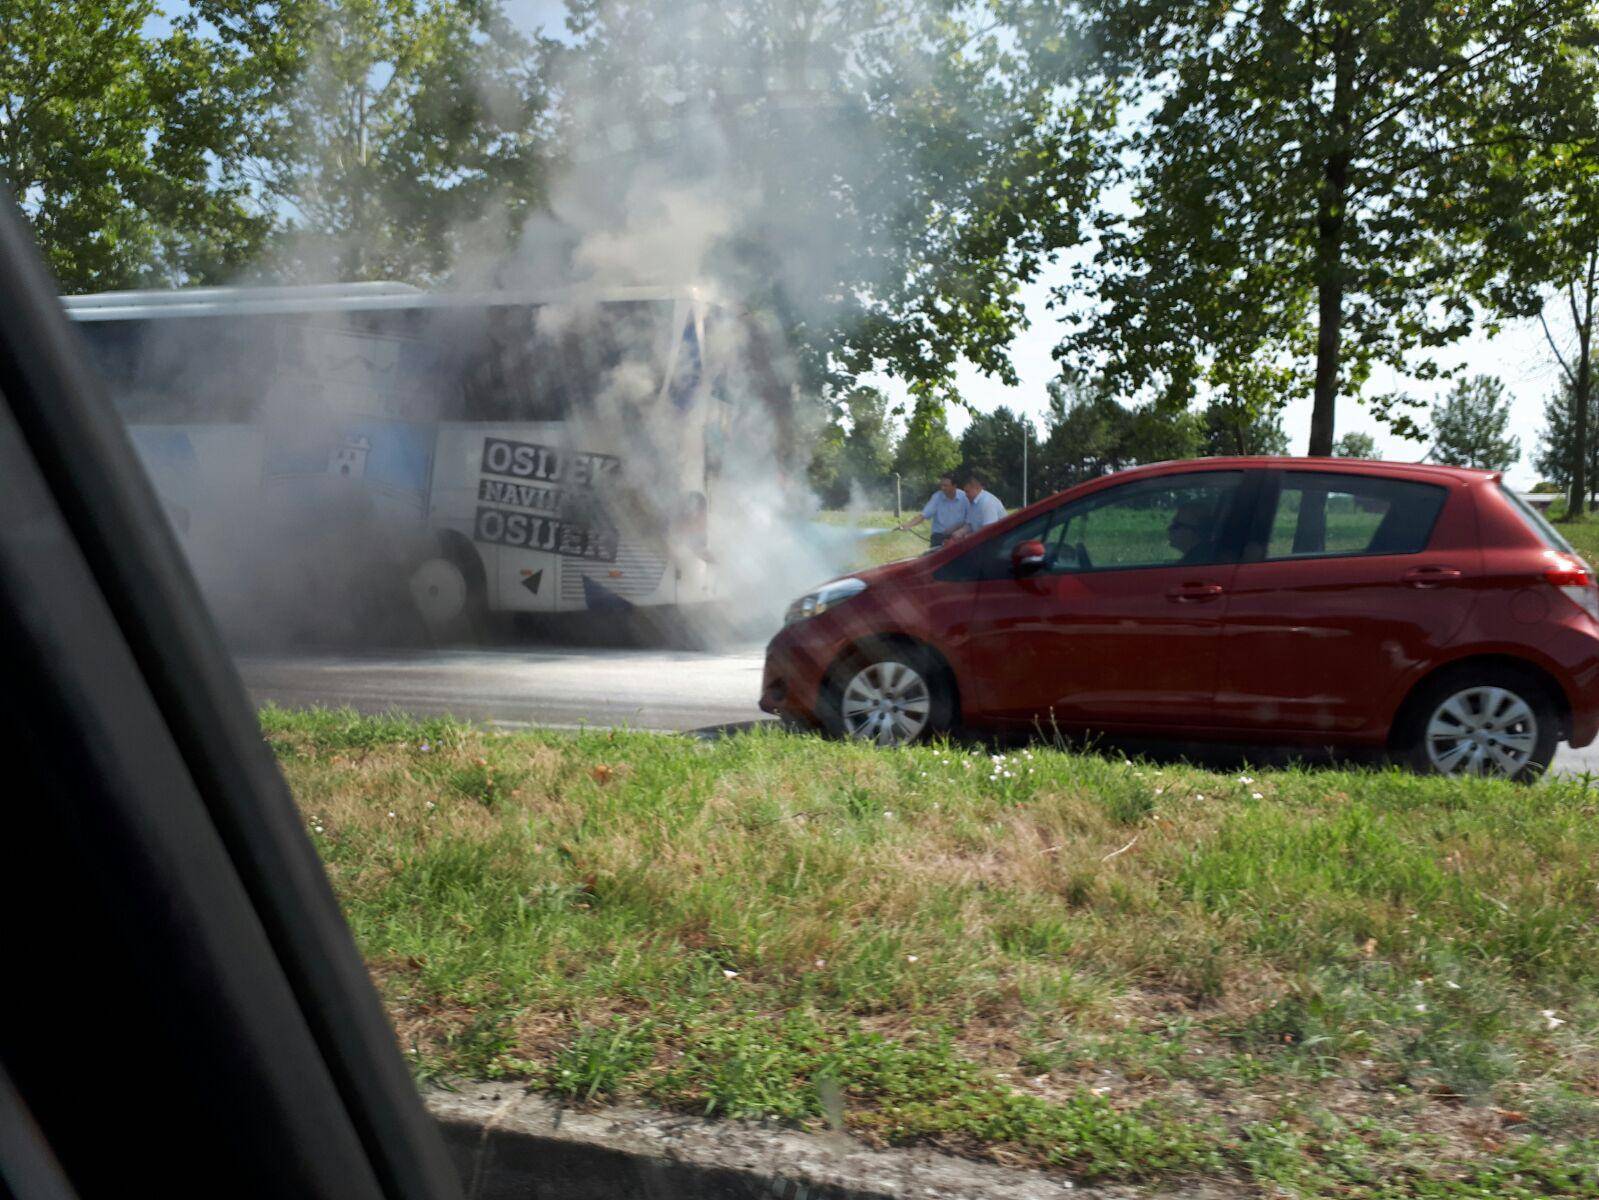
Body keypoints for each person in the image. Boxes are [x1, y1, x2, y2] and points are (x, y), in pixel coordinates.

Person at [897, 473, 970, 548]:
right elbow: (923, 515)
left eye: (946, 485)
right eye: (941, 485)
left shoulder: (965, 497)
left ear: (954, 486)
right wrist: (908, 525)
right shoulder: (936, 497)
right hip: (939, 537)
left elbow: (970, 518)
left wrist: (960, 530)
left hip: (959, 536)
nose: (942, 488)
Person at [1168, 498, 1218, 565]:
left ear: (1194, 531)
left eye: (1176, 525)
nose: (1169, 528)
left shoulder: (1196, 564)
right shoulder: (1208, 557)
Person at [958, 471, 1006, 537]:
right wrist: (960, 532)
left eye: (967, 492)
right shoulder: (972, 502)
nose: (965, 495)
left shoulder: (987, 503)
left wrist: (968, 537)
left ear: (977, 488)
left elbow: (989, 530)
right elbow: (970, 524)